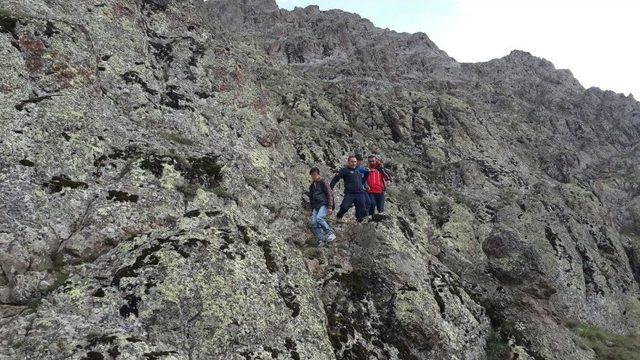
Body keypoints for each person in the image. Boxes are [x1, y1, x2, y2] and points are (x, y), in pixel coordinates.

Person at [330, 156, 369, 222]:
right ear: (348, 162)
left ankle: (359, 222)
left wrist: (364, 182)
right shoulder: (345, 170)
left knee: (362, 209)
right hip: (349, 193)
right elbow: (336, 178)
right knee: (344, 208)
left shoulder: (359, 170)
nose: (354, 163)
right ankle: (339, 216)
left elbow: (365, 177)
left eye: (355, 162)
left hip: (360, 193)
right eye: (352, 162)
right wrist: (331, 187)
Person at [308, 167, 336, 246]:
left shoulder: (323, 182)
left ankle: (330, 234)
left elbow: (329, 194)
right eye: (312, 175)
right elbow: (311, 198)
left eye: (315, 174)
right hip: (315, 206)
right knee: (314, 223)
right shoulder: (312, 186)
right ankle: (322, 240)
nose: (313, 176)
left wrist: (330, 207)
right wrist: (311, 209)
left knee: (319, 218)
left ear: (318, 174)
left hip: (324, 204)